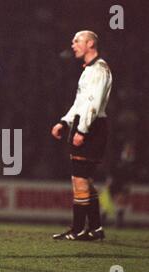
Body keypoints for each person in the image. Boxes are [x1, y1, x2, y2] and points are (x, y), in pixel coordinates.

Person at [51, 30, 112, 240]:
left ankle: (79, 229)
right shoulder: (90, 69)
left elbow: (93, 106)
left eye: (77, 41)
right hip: (85, 124)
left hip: (92, 127)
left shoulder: (99, 69)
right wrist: (64, 121)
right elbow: (81, 104)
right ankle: (95, 229)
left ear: (90, 43)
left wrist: (82, 130)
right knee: (83, 178)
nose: (73, 45)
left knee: (79, 178)